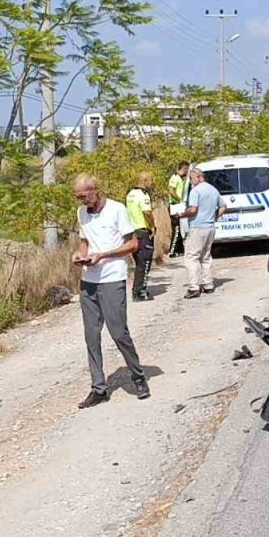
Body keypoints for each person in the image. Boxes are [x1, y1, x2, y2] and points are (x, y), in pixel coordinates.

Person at [72, 174, 150, 408]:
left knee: (118, 333)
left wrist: (104, 255)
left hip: (112, 279)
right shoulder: (82, 213)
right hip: (89, 280)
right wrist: (79, 254)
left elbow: (133, 244)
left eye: (84, 196)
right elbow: (85, 241)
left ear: (95, 190)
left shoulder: (117, 209)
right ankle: (98, 387)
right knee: (91, 336)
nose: (82, 201)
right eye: (78, 198)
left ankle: (138, 377)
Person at [181, 167, 228, 298]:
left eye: (191, 178)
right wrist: (213, 217)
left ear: (198, 176)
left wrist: (181, 215)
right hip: (210, 227)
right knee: (206, 257)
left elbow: (193, 210)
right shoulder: (213, 189)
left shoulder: (195, 191)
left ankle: (194, 287)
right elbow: (224, 207)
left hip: (197, 227)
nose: (191, 182)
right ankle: (208, 284)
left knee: (192, 257)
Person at [125, 172, 155, 302]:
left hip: (132, 232)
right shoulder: (143, 195)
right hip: (142, 230)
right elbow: (147, 212)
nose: (152, 183)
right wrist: (152, 226)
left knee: (139, 263)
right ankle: (139, 291)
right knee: (145, 262)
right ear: (145, 180)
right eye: (151, 181)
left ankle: (137, 290)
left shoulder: (130, 193)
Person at [167, 162, 189, 257]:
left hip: (179, 205)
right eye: (187, 170)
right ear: (184, 169)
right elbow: (171, 190)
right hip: (175, 205)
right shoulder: (175, 177)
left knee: (181, 228)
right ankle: (172, 250)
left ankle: (179, 250)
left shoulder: (180, 179)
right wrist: (179, 199)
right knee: (176, 229)